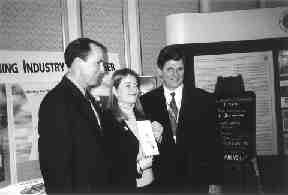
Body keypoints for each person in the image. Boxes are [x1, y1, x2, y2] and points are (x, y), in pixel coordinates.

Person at [140, 45, 223, 194]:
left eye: (180, 69)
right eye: (170, 69)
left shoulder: (204, 100)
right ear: (160, 71)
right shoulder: (145, 102)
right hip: (160, 182)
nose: (175, 74)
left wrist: (215, 181)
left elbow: (214, 143)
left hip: (196, 180)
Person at [38, 37, 110, 193]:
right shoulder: (56, 102)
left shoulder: (88, 99)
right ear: (78, 63)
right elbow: (55, 167)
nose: (103, 69)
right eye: (98, 63)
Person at [102, 68, 163, 192]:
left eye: (135, 85)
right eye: (128, 85)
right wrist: (138, 167)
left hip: (151, 185)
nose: (134, 90)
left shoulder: (143, 115)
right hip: (128, 188)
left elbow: (151, 150)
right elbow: (110, 162)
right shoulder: (108, 120)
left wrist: (158, 136)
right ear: (115, 91)